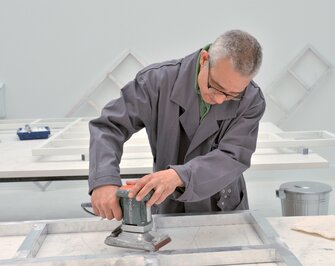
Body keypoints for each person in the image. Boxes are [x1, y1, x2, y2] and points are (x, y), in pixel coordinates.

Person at [88, 29, 265, 220]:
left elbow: (233, 157)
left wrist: (180, 176)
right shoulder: (156, 82)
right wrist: (104, 180)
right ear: (204, 60)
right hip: (168, 203)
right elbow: (109, 127)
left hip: (224, 207)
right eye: (216, 87)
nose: (221, 99)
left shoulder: (251, 100)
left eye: (232, 95)